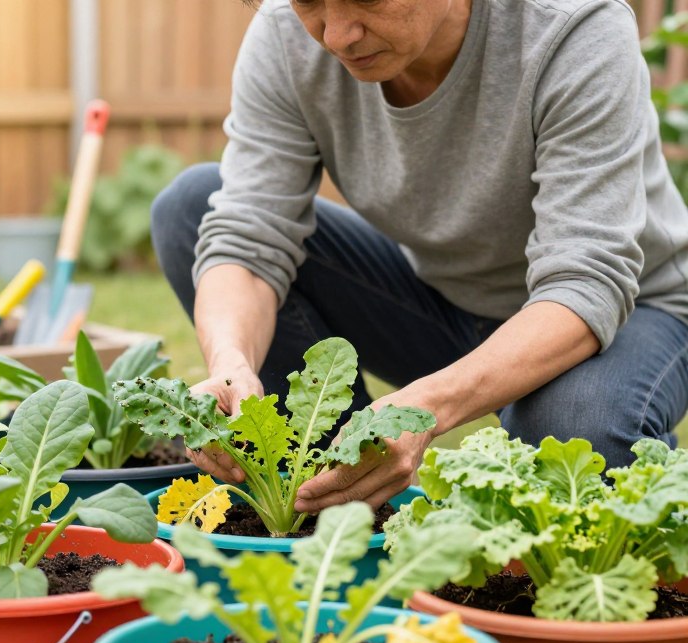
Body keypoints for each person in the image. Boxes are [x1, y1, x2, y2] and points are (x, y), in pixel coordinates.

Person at [151, 0, 688, 514]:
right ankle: (326, 497)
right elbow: (248, 234)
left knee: (574, 428)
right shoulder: (285, 36)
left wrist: (425, 406)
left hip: (632, 311)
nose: (336, 34)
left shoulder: (572, 27)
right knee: (191, 209)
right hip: (447, 299)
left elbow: (586, 281)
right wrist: (230, 363)